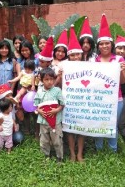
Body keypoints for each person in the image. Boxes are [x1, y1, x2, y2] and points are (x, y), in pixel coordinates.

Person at [94, 14, 125, 153]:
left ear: (111, 44)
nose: (104, 46)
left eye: (107, 43)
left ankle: (113, 149)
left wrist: (122, 71)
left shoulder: (118, 59)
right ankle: (99, 148)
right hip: (99, 97)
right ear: (98, 46)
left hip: (116, 98)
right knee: (99, 123)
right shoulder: (94, 60)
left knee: (113, 123)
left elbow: (123, 81)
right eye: (101, 44)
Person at [64, 26, 86, 162]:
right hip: (69, 101)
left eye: (78, 54)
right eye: (73, 55)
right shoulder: (63, 66)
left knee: (82, 128)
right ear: (69, 56)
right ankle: (72, 153)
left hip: (84, 101)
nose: (76, 57)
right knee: (70, 128)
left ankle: (80, 154)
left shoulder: (88, 65)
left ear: (81, 54)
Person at [34, 67, 65, 162]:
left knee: (57, 141)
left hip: (55, 121)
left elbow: (62, 104)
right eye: (46, 79)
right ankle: (46, 156)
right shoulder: (39, 92)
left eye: (51, 79)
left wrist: (56, 110)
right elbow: (36, 106)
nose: (49, 82)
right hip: (43, 122)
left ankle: (59, 157)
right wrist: (39, 111)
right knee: (44, 140)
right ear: (41, 80)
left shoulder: (57, 91)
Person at [0, 83, 24, 150]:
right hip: (0, 129)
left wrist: (18, 106)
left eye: (11, 95)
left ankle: (8, 142)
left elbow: (21, 118)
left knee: (19, 139)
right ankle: (0, 144)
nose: (10, 97)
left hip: (10, 129)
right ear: (2, 99)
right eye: (7, 96)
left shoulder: (13, 105)